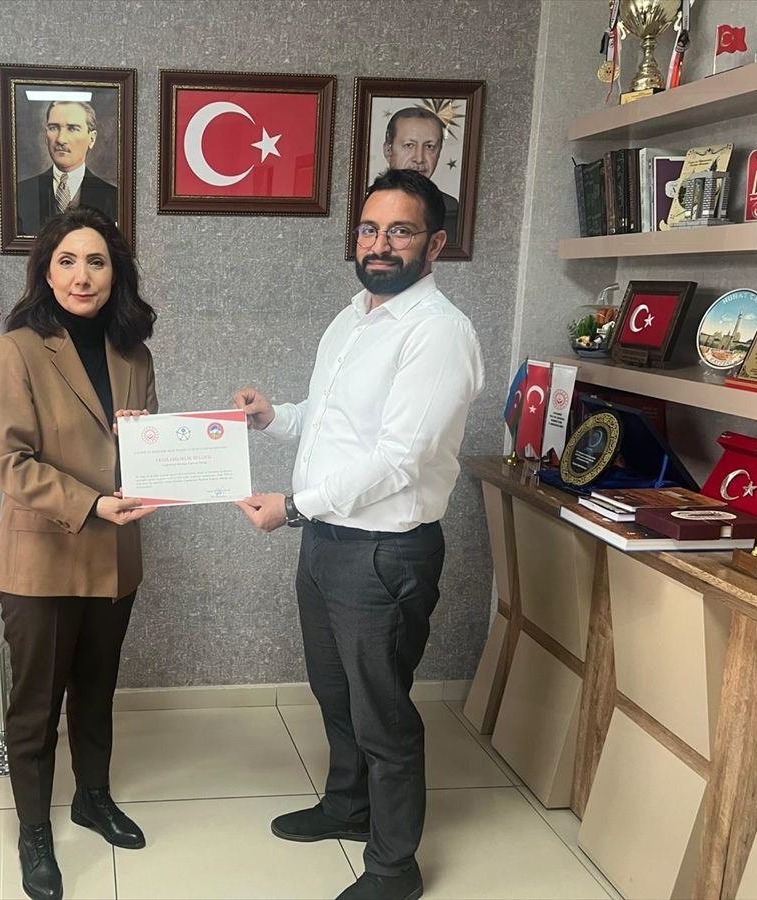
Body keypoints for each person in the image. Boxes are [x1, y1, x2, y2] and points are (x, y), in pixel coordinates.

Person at [234, 169, 484, 900]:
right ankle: (348, 807)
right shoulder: (353, 317)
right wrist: (273, 417)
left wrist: (294, 506)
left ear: (434, 244)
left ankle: (394, 867)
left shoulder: (438, 333)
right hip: (327, 542)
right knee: (335, 690)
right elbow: (333, 421)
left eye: (400, 230)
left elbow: (398, 458)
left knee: (382, 712)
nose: (379, 244)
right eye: (370, 229)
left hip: (382, 553)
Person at [0, 206, 157, 900]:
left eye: (96, 262)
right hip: (43, 559)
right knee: (35, 707)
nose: (82, 276)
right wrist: (91, 503)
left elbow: (146, 450)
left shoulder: (133, 354)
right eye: (67, 261)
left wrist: (156, 456)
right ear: (46, 273)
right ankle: (34, 831)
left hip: (115, 556)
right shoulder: (19, 348)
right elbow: (8, 460)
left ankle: (92, 797)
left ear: (116, 274)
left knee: (96, 693)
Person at [16, 100, 119, 236]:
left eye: (72, 128)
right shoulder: (21, 193)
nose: (61, 139)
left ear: (92, 139)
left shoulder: (113, 198)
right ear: (46, 136)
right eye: (53, 128)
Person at [381, 107, 459, 243]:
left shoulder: (452, 209)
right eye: (409, 145)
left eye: (429, 147)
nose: (419, 158)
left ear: (439, 152)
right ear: (388, 151)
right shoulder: (366, 205)